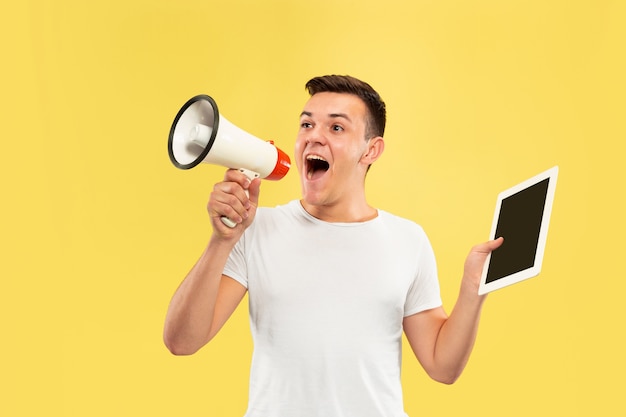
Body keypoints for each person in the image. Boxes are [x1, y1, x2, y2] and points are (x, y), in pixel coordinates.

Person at [163, 75, 503, 417]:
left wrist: (473, 290)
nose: (314, 136)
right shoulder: (255, 229)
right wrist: (222, 241)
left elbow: (442, 367)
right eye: (306, 124)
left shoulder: (407, 240)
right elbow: (181, 341)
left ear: (371, 150)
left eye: (336, 128)